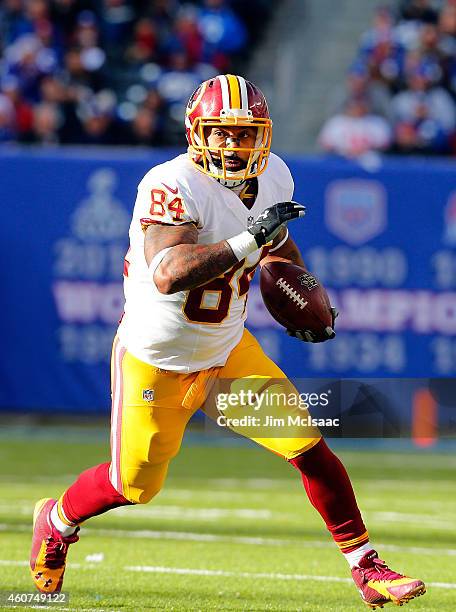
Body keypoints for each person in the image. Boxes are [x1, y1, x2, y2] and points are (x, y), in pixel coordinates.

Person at [30, 74, 426, 609]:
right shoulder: (172, 182)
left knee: (308, 447)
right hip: (156, 359)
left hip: (226, 351)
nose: (232, 146)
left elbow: (277, 247)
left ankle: (368, 568)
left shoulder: (276, 177)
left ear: (262, 136)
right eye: (221, 133)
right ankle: (56, 521)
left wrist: (302, 292)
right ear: (198, 133)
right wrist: (249, 237)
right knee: (134, 485)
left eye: (244, 133)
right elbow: (169, 271)